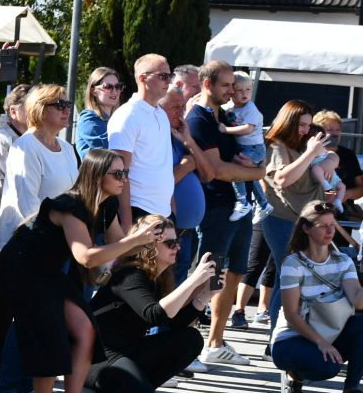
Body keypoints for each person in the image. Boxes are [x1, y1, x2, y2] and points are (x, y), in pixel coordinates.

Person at [0, 149, 160, 393]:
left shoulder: (106, 204)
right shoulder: (69, 205)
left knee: (85, 330)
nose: (124, 180)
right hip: (22, 268)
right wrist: (133, 242)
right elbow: (86, 257)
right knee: (50, 332)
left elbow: (118, 244)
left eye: (125, 173)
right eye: (117, 174)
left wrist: (151, 242)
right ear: (96, 175)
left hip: (51, 270)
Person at [87, 217, 211, 393]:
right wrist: (193, 280)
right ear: (149, 246)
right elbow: (154, 315)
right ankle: (93, 390)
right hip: (98, 356)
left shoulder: (159, 278)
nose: (177, 247)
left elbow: (173, 325)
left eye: (177, 242)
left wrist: (205, 295)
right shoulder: (130, 275)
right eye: (170, 243)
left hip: (127, 351)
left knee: (190, 339)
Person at [187, 60, 266, 366]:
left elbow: (237, 159)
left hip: (239, 207)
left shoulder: (228, 115)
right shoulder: (199, 119)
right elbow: (217, 170)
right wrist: (257, 172)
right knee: (207, 273)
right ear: (207, 84)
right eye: (226, 85)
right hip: (215, 207)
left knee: (234, 271)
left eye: (234, 85)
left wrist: (251, 169)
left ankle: (216, 342)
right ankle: (188, 342)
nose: (232, 90)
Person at [272, 201, 363, 393]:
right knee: (328, 367)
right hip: (292, 338)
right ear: (306, 228)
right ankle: (293, 374)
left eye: (333, 224)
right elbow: (291, 315)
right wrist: (321, 342)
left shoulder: (343, 261)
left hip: (329, 331)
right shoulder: (293, 263)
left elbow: (358, 299)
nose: (331, 230)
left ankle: (351, 390)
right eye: (323, 226)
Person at [260, 101, 331, 327]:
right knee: (287, 278)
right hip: (282, 219)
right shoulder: (277, 145)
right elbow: (283, 179)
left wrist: (330, 159)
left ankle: (287, 332)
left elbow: (332, 156)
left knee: (296, 279)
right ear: (288, 122)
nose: (305, 130)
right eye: (301, 125)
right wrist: (310, 153)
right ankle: (277, 336)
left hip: (305, 220)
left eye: (309, 125)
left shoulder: (302, 146)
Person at [0, 84, 79, 250]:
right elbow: (28, 204)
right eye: (59, 105)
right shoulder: (25, 147)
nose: (66, 110)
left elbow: (76, 194)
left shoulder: (67, 148)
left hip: (60, 239)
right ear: (40, 109)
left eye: (68, 105)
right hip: (27, 243)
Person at [107, 54, 174, 227]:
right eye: (163, 76)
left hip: (163, 212)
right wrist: (127, 223)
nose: (168, 81)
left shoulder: (161, 113)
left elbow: (163, 165)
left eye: (170, 75)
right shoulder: (127, 115)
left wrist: (172, 210)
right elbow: (120, 173)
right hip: (139, 211)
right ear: (143, 78)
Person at [162, 86, 211, 282]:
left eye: (183, 107)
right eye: (175, 107)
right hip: (169, 231)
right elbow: (161, 183)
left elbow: (208, 174)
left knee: (180, 284)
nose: (181, 112)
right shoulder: (158, 140)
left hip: (187, 232)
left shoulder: (180, 137)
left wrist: (189, 140)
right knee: (166, 287)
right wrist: (185, 166)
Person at [223, 74, 270, 221]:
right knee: (249, 175)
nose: (245, 94)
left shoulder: (251, 109)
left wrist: (225, 130)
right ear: (231, 92)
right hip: (244, 147)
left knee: (236, 169)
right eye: (240, 90)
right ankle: (263, 204)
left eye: (248, 89)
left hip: (254, 148)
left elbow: (247, 129)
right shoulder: (229, 107)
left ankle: (242, 201)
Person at [74, 67, 122, 159]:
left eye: (118, 87)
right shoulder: (88, 118)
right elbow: (109, 149)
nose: (115, 91)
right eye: (108, 87)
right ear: (93, 91)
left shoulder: (116, 120)